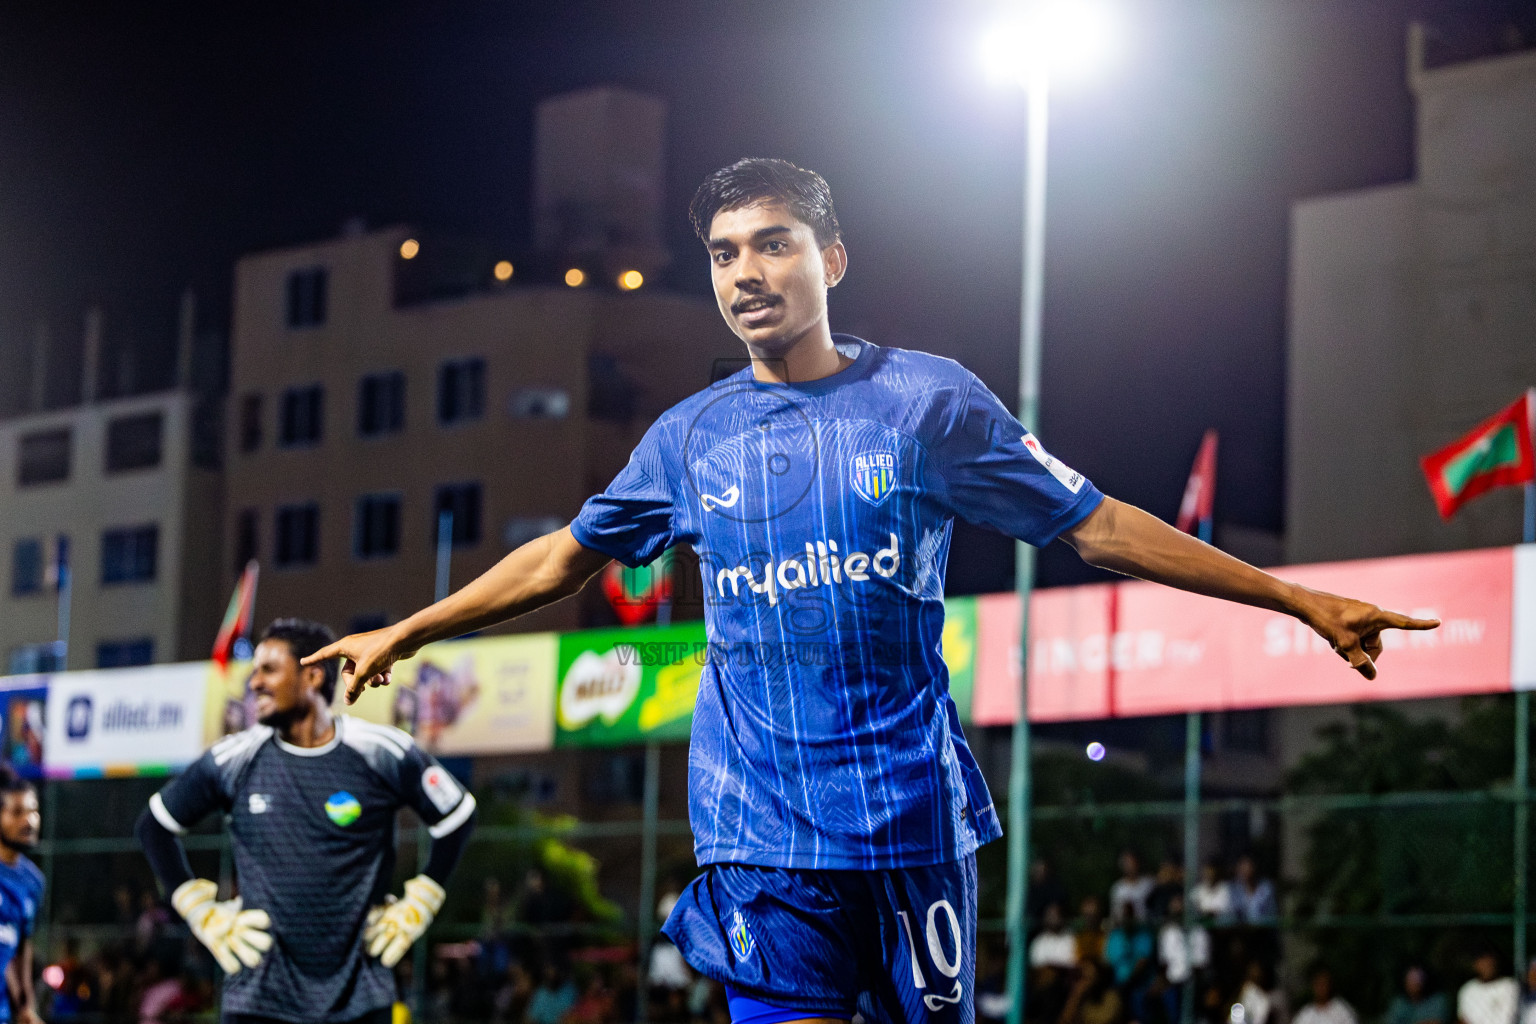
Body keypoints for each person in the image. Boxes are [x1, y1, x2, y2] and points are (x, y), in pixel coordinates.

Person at [305, 158, 1439, 1024]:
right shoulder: (687, 438)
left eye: (773, 244)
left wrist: (1298, 600)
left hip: (910, 818)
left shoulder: (931, 405)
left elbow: (1096, 524)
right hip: (759, 831)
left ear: (832, 259)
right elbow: (564, 555)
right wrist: (411, 625)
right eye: (722, 254)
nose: (746, 272)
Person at [134, 618, 478, 1024]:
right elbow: (154, 827)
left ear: (312, 676)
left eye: (269, 669)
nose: (254, 682)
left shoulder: (381, 752)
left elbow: (457, 815)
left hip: (362, 998)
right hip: (258, 1002)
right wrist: (199, 912)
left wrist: (421, 902)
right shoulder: (234, 759)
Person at [0, 763, 44, 1024]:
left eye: (33, 811)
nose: (28, 821)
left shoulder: (33, 882)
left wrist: (25, 1007)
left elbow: (19, 949)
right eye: (17, 812)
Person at [1458, 949, 1518, 1024]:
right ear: (1475, 965)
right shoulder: (1467, 989)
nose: (1487, 966)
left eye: (1489, 962)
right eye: (1482, 962)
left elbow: (1509, 1018)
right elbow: (1463, 1019)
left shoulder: (1510, 986)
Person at [1292, 967, 1357, 1024]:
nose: (1321, 988)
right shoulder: (1306, 1013)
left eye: (1323, 984)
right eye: (1318, 984)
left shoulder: (1342, 1010)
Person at [1230, 856, 1278, 924]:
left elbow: (1272, 914)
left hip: (1264, 930)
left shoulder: (1267, 888)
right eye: (1242, 868)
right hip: (1242, 930)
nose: (1244, 871)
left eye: (1247, 867)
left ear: (1254, 867)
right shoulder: (1235, 889)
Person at [1109, 852, 1155, 923]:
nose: (1130, 866)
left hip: (1145, 926)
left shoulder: (1148, 884)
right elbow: (1115, 913)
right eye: (1127, 863)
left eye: (1132, 862)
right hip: (1125, 928)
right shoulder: (1117, 888)